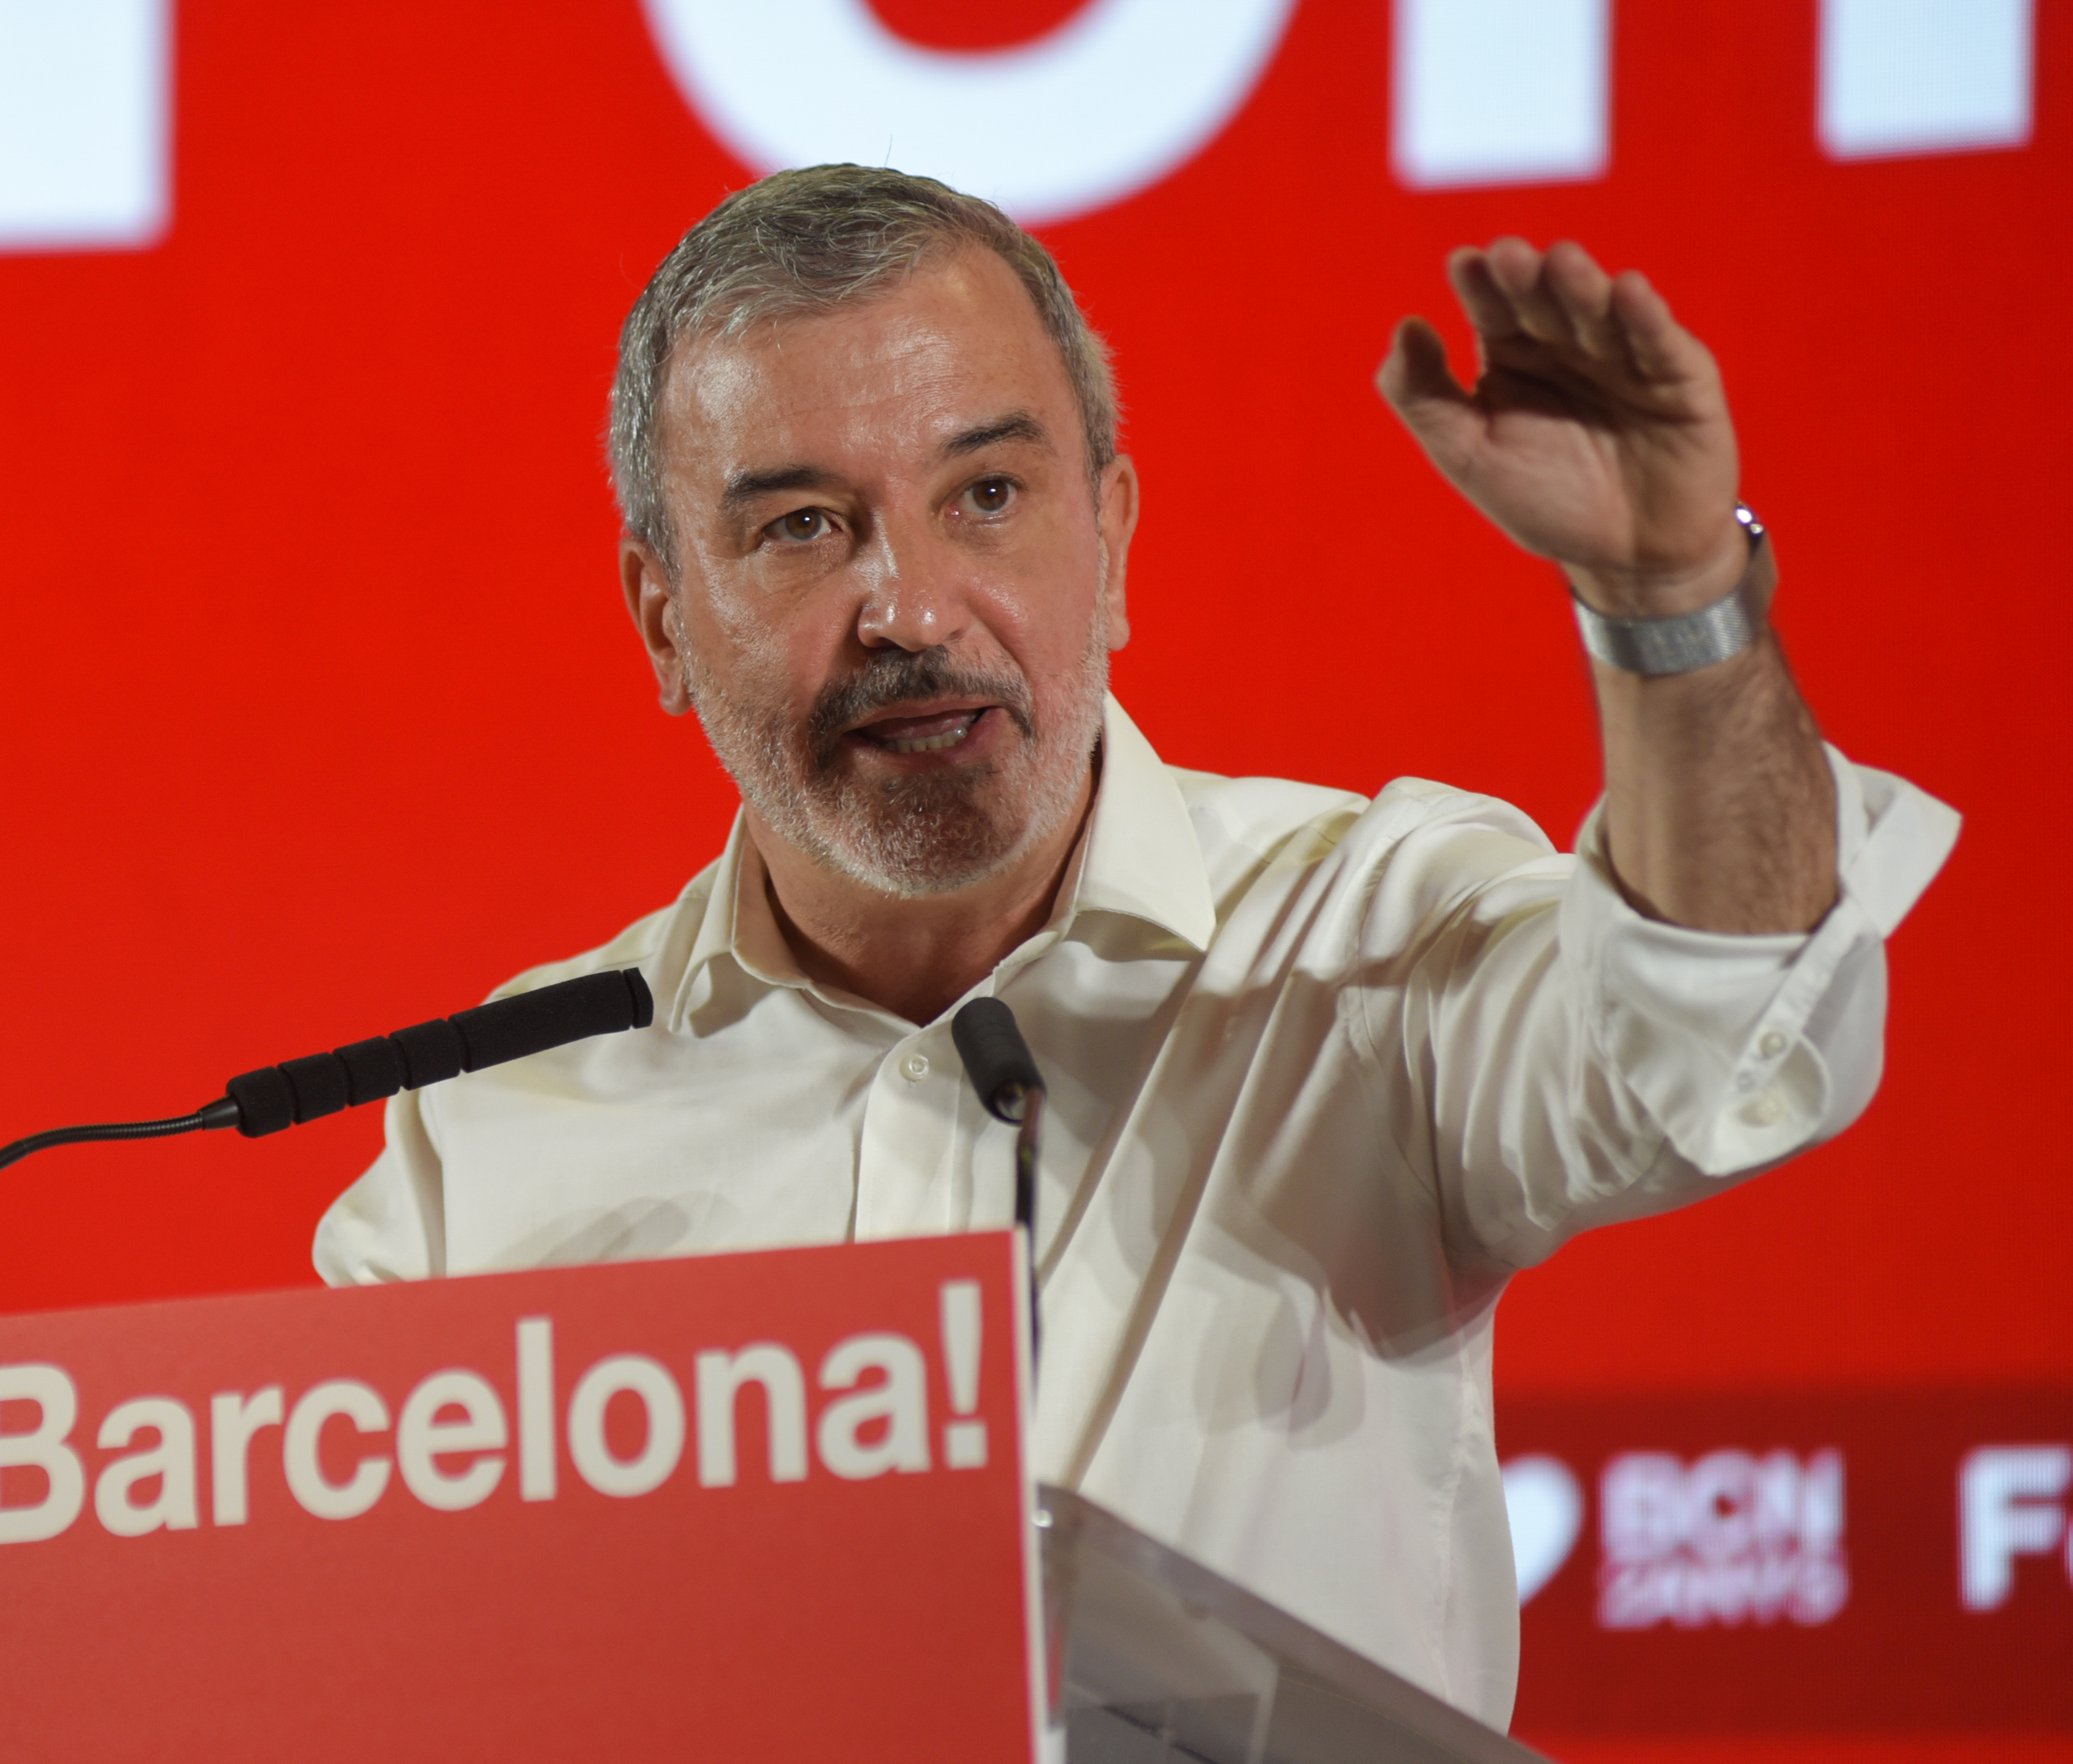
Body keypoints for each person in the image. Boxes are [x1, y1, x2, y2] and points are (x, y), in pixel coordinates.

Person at [313, 165, 1955, 1728]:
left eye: (987, 496)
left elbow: (1720, 1042)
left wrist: (1673, 599)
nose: (911, 609)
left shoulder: (1364, 932)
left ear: (1108, 540)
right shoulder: (494, 1131)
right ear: (665, 615)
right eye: (803, 527)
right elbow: (365, 1682)